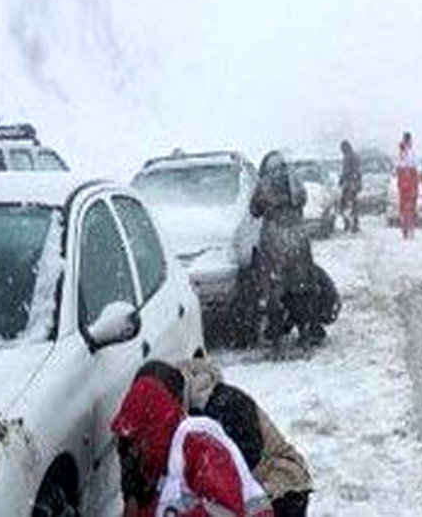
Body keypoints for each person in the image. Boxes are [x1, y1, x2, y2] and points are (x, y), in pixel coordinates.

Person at [112, 363, 273, 516]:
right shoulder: (164, 466)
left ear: (152, 432)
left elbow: (225, 510)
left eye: (139, 442)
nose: (136, 451)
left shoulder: (198, 442)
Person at [171, 359, 314, 516]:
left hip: (284, 483)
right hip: (269, 483)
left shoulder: (225, 404)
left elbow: (246, 457)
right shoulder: (203, 404)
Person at [249, 151, 326, 347]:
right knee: (301, 288)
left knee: (273, 290)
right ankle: (304, 332)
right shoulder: (295, 180)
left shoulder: (264, 184)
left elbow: (254, 210)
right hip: (297, 239)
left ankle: (275, 336)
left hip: (273, 240)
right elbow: (302, 200)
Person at [395, 132, 422, 239]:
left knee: (406, 205)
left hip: (405, 182)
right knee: (410, 205)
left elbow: (398, 167)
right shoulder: (408, 152)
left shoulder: (404, 152)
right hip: (410, 182)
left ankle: (407, 226)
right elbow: (418, 167)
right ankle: (408, 226)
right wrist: (421, 179)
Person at [338, 140, 362, 234]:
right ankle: (354, 224)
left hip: (349, 185)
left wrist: (342, 180)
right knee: (353, 205)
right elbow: (358, 172)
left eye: (342, 149)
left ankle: (348, 224)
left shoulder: (348, 157)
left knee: (343, 206)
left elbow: (347, 171)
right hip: (354, 184)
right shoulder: (354, 156)